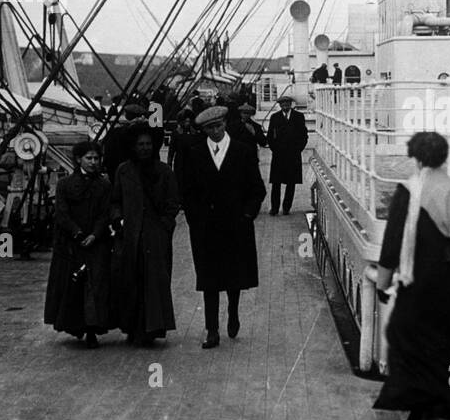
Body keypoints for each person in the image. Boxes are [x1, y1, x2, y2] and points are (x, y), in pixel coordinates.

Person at [372, 132, 450, 420]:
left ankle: (419, 407)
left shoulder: (409, 191)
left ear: (417, 158)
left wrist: (383, 281)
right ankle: (447, 402)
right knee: (445, 346)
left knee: (402, 337)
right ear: (444, 158)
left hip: (418, 285)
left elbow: (392, 243)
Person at [179, 106, 267, 349]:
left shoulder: (243, 151)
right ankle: (212, 330)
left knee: (234, 276)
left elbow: (257, 189)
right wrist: (194, 220)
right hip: (206, 228)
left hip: (236, 225)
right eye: (210, 128)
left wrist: (248, 214)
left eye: (218, 126)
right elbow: (187, 191)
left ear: (225, 124)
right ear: (204, 130)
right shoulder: (194, 153)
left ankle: (233, 313)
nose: (215, 131)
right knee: (209, 279)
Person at [111, 123, 180, 346]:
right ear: (133, 147)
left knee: (154, 283)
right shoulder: (124, 170)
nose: (144, 148)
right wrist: (118, 220)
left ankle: (153, 329)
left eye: (148, 144)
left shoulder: (164, 172)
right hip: (130, 235)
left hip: (155, 236)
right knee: (131, 281)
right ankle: (132, 328)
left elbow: (173, 203)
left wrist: (165, 227)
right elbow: (115, 200)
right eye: (140, 144)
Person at [44, 140, 113, 348]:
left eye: (96, 158)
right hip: (71, 244)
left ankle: (92, 329)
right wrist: (78, 233)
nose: (93, 162)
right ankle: (77, 325)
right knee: (73, 285)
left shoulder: (104, 184)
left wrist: (95, 234)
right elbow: (62, 214)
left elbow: (105, 212)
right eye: (89, 158)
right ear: (78, 159)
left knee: (95, 286)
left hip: (96, 242)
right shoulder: (65, 184)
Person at [265, 95, 307, 215]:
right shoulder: (275, 117)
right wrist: (275, 149)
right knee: (276, 183)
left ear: (290, 104)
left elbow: (303, 135)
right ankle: (274, 208)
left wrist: (298, 149)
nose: (285, 105)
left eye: (287, 103)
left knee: (291, 182)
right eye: (282, 104)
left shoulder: (299, 117)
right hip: (279, 155)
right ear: (279, 105)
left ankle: (286, 208)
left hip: (293, 155)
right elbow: (270, 136)